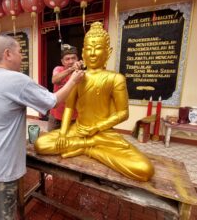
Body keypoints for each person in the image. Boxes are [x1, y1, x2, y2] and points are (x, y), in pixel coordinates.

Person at [0, 35, 84, 220]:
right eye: (20, 52)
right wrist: (74, 80)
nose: (22, 56)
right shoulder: (16, 80)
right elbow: (52, 101)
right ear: (8, 54)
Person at [34, 22, 154, 182]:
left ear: (108, 52)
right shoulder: (79, 76)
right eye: (89, 49)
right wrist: (63, 133)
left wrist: (96, 128)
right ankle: (89, 146)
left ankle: (88, 147)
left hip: (102, 132)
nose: (92, 53)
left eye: (97, 48)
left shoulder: (115, 78)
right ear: (83, 52)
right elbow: (69, 106)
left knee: (144, 169)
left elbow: (123, 113)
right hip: (78, 129)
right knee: (40, 144)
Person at [48, 44, 83, 131]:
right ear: (62, 62)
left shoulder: (81, 73)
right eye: (67, 59)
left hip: (73, 116)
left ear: (78, 59)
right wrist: (71, 69)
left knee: (70, 141)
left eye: (73, 58)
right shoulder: (58, 69)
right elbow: (54, 80)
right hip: (55, 115)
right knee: (52, 140)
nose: (71, 61)